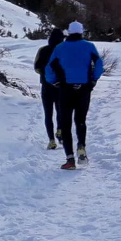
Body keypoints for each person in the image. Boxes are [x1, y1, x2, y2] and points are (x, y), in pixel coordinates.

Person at [44, 21, 104, 170]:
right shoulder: (89, 46)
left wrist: (55, 82)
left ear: (69, 33)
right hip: (84, 88)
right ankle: (81, 146)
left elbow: (49, 68)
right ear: (81, 32)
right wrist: (93, 80)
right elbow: (99, 63)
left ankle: (70, 160)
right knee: (81, 120)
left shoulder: (60, 48)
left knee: (65, 123)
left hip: (65, 89)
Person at [33, 28, 65, 150]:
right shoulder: (64, 51)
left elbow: (36, 67)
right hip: (61, 86)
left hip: (46, 85)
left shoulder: (43, 50)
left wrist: (44, 75)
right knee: (60, 111)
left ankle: (51, 140)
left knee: (48, 113)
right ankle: (60, 130)